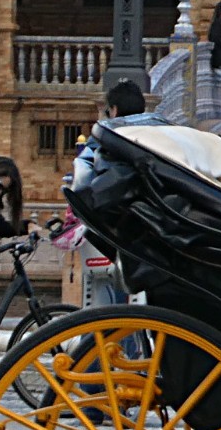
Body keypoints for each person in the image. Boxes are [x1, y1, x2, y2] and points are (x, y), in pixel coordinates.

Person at [69, 79, 164, 310]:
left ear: (113, 110)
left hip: (120, 231)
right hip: (163, 233)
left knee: (110, 302)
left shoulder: (105, 135)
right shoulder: (166, 131)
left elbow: (81, 182)